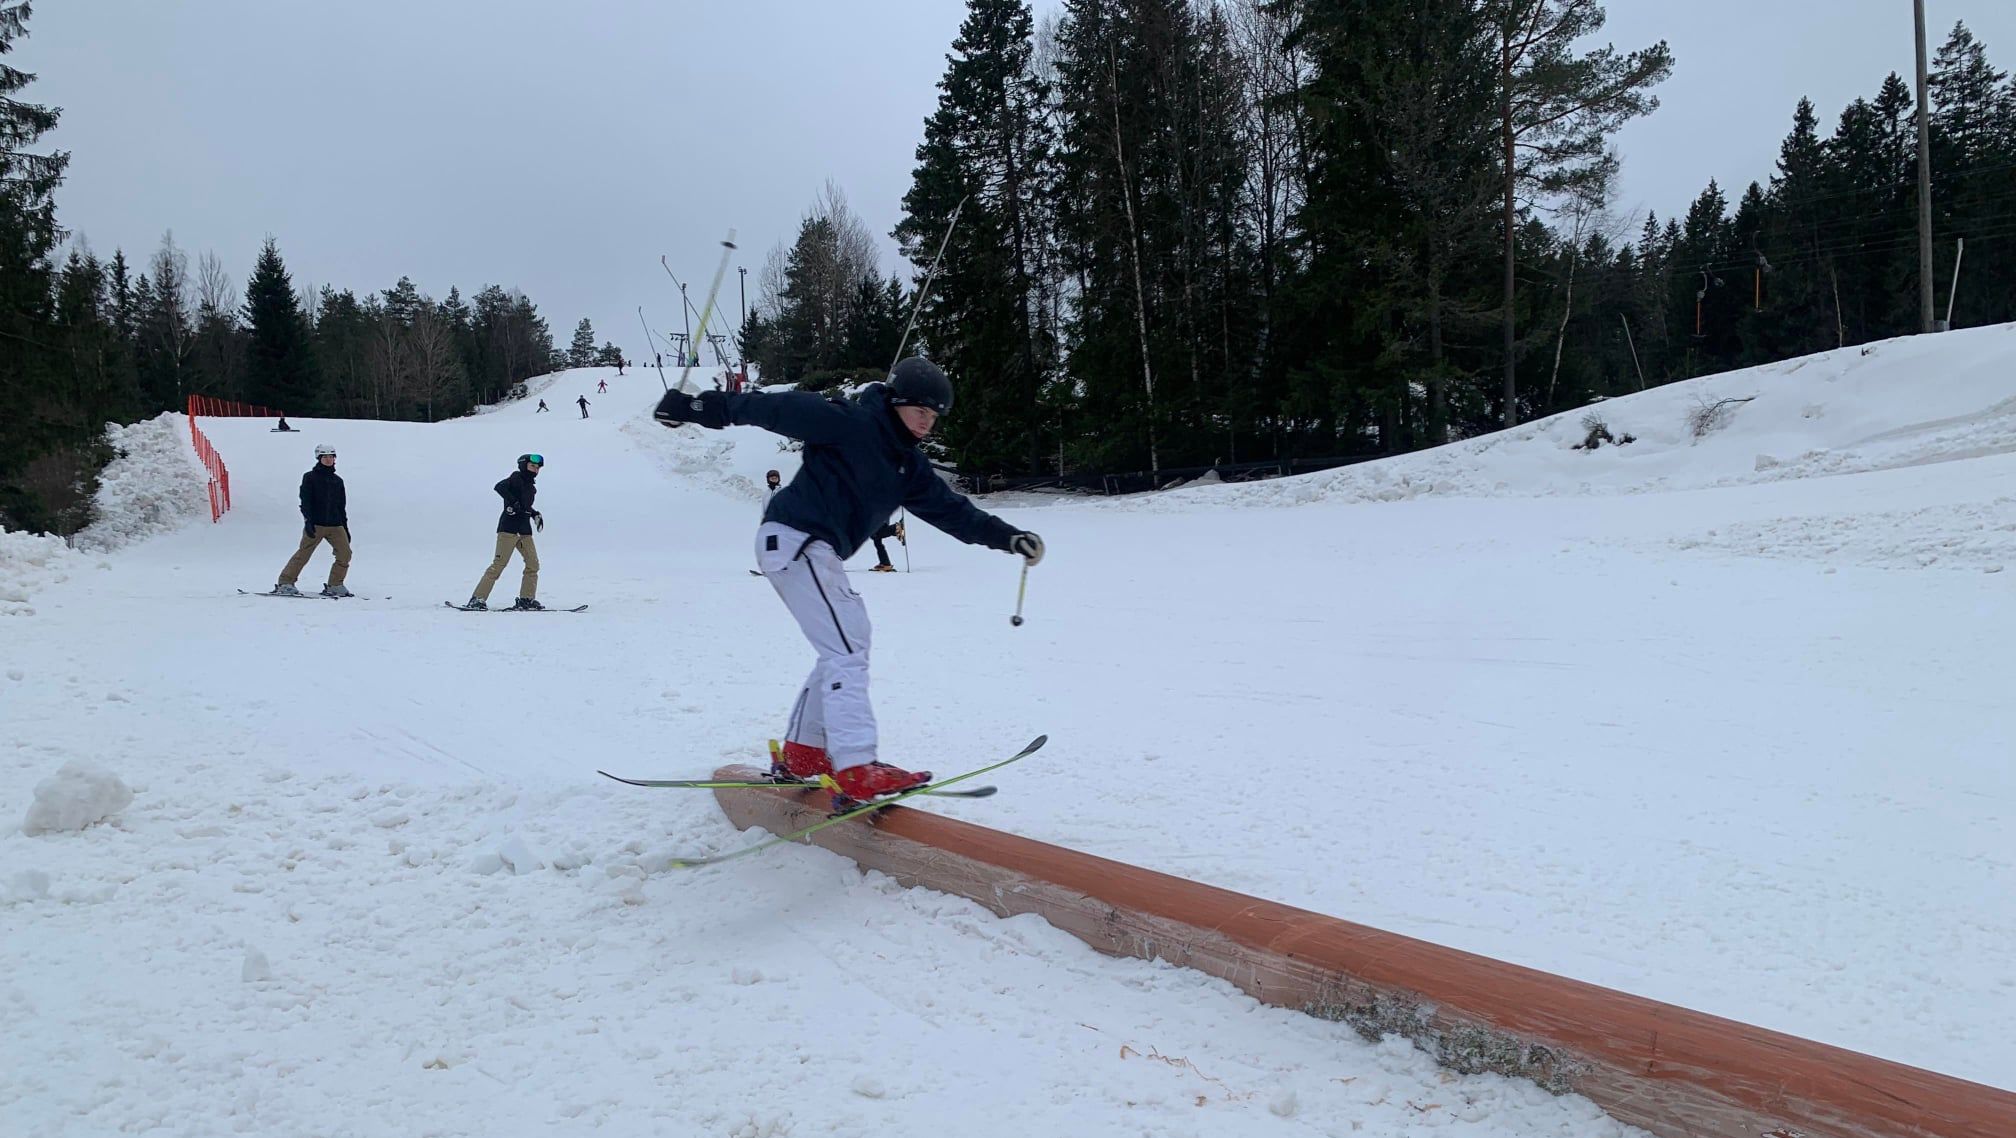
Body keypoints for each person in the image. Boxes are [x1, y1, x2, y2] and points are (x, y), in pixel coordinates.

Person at [654, 357, 1043, 805]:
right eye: (921, 411)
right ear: (897, 402)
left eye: (934, 417)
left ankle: (804, 753)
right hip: (797, 537)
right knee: (846, 645)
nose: (926, 424)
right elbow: (773, 409)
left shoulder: (907, 467)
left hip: (811, 547)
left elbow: (955, 513)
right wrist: (697, 408)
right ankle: (856, 764)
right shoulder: (851, 422)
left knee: (846, 641)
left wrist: (1009, 538)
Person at [466, 454, 545, 611]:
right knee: (499, 565)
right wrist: (512, 503)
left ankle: (526, 599)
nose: (535, 470)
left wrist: (535, 514)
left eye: (537, 468)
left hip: (524, 531)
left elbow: (525, 507)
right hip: (508, 530)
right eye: (532, 466)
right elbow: (499, 487)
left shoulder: (531, 487)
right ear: (523, 466)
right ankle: (477, 599)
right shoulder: (515, 478)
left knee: (533, 564)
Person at [273, 444, 352, 597]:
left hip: (336, 524)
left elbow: (341, 506)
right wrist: (308, 521)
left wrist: (345, 528)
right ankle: (285, 582)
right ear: (319, 458)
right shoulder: (310, 477)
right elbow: (305, 501)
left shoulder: (338, 481)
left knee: (345, 553)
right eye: (325, 456)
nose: (328, 459)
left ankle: (335, 584)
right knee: (304, 553)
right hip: (316, 524)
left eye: (331, 456)